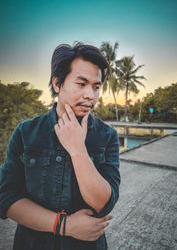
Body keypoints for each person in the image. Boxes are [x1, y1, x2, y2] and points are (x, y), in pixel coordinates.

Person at [0, 42, 120, 250]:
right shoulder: (25, 132)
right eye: (81, 84)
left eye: (96, 87)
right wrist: (64, 225)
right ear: (57, 84)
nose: (90, 95)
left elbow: (104, 203)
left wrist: (77, 149)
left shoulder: (107, 136)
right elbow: (6, 196)